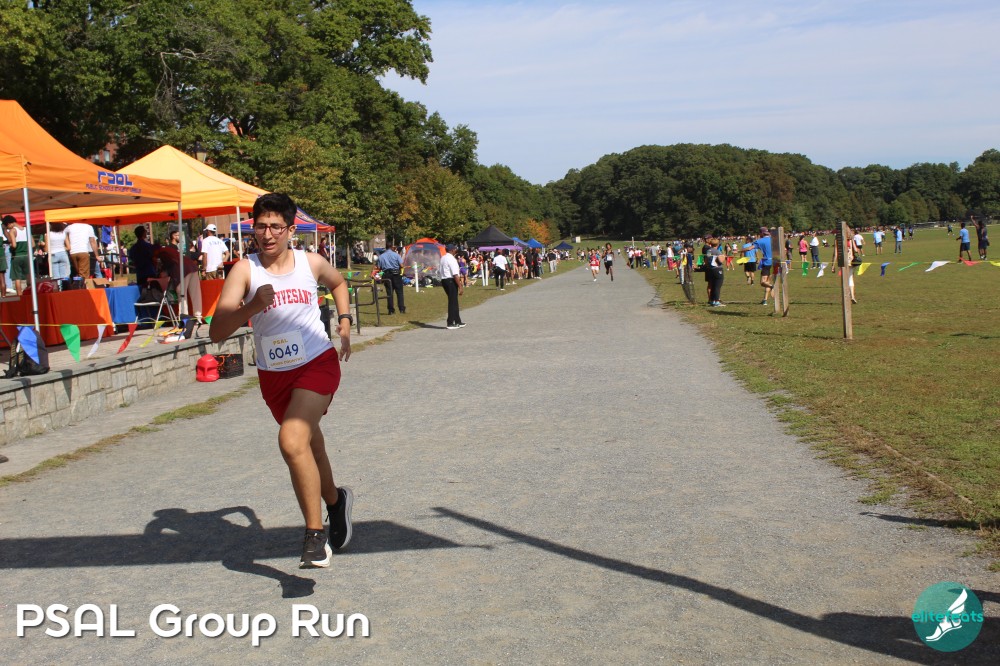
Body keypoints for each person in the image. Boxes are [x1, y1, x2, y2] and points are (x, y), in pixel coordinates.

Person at [209, 192, 353, 569]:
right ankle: (336, 502)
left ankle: (314, 537)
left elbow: (338, 283)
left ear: (291, 230)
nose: (268, 234)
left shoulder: (310, 262)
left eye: (276, 226)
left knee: (291, 441)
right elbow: (216, 331)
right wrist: (253, 306)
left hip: (316, 362)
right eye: (261, 226)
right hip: (275, 376)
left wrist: (344, 321)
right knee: (310, 447)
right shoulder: (245, 271)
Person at [154, 225, 203, 320]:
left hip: (183, 271)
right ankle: (198, 317)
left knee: (182, 294)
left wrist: (162, 273)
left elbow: (168, 265)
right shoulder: (172, 249)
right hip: (192, 268)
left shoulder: (163, 252)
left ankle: (184, 318)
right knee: (196, 294)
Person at [439, 244, 465, 330]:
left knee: (454, 300)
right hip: (450, 280)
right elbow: (455, 274)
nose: (456, 250)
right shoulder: (451, 259)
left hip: (444, 280)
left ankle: (457, 321)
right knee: (452, 301)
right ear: (452, 250)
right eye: (455, 249)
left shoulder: (443, 258)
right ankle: (450, 322)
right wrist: (460, 286)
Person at [376, 245, 405, 314]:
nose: (395, 249)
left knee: (389, 293)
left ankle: (391, 310)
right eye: (394, 248)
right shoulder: (396, 255)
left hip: (387, 275)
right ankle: (401, 309)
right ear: (392, 247)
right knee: (399, 293)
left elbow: (378, 268)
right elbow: (401, 265)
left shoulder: (381, 256)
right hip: (396, 274)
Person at [752, 227, 775, 305]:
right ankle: (765, 300)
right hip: (774, 263)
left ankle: (772, 286)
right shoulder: (773, 239)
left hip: (767, 263)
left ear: (761, 233)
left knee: (763, 282)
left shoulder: (760, 240)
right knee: (767, 281)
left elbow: (750, 247)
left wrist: (739, 251)